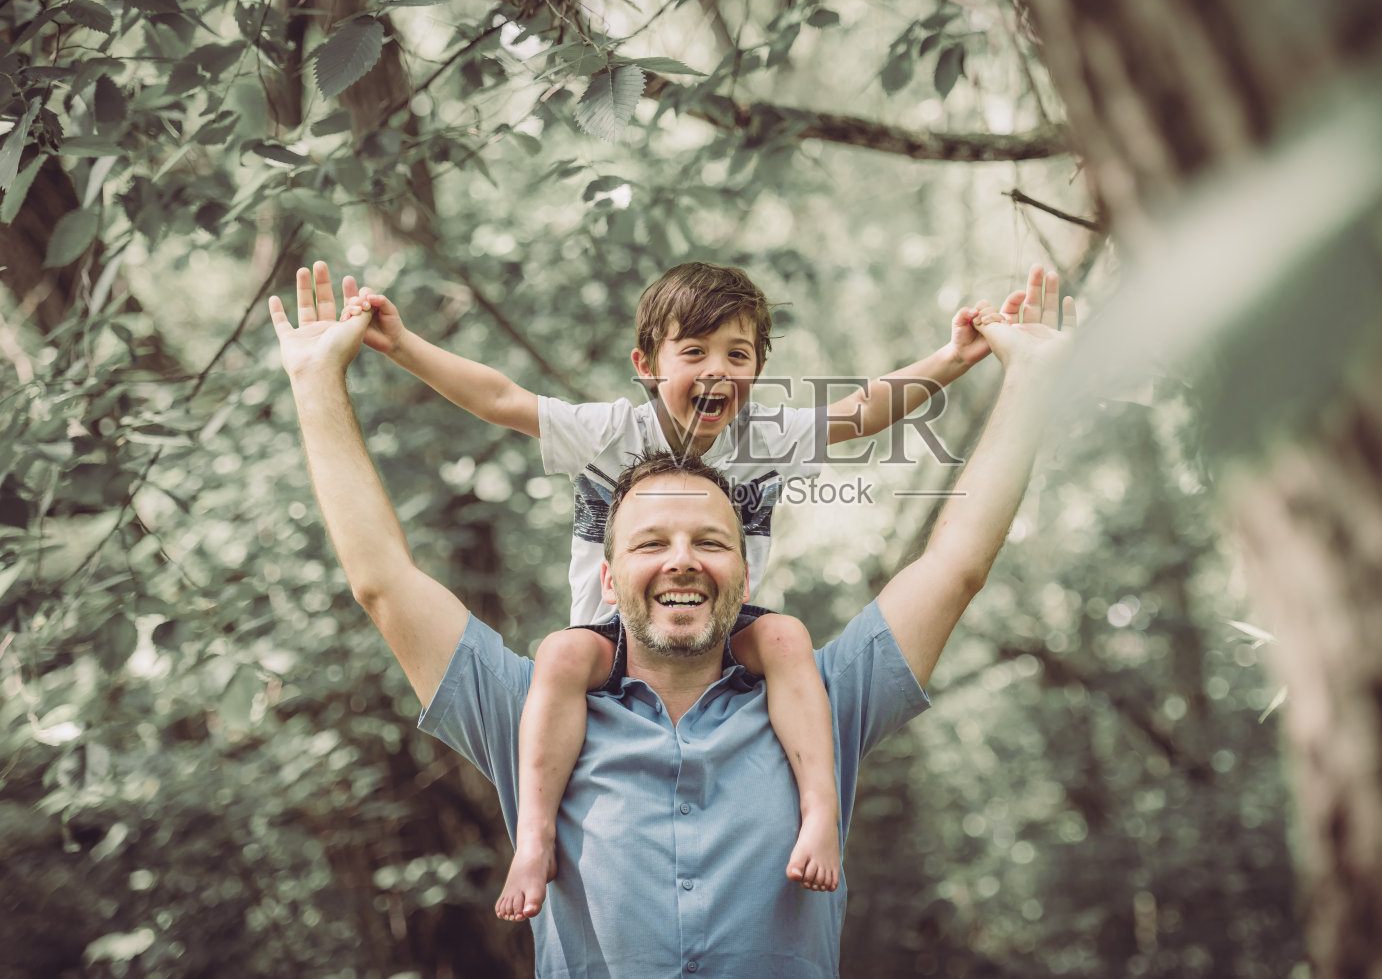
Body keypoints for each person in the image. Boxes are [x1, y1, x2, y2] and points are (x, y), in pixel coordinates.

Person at [269, 259, 1071, 975]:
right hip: (591, 654)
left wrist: (993, 368)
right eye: (652, 540)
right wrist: (330, 375)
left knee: (783, 636)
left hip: (758, 649)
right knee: (560, 652)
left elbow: (946, 549)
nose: (683, 559)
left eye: (711, 540)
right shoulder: (543, 712)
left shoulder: (814, 702)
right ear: (611, 574)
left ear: (746, 567)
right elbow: (387, 572)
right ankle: (534, 843)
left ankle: (817, 813)